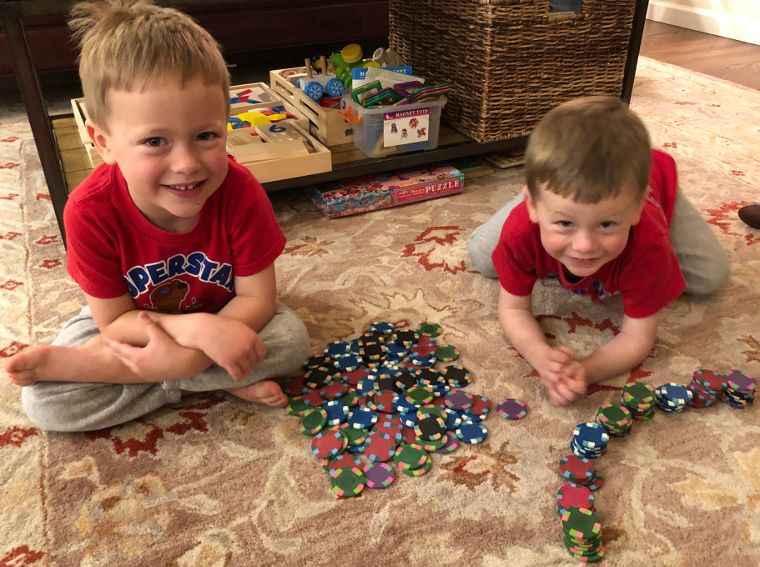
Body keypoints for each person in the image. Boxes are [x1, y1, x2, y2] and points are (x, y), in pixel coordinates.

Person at [3, 0, 309, 431]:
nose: (186, 164)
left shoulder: (241, 193)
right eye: (154, 142)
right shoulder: (89, 211)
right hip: (134, 321)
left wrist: (187, 351)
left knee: (290, 340)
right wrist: (198, 339)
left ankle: (168, 377)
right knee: (49, 405)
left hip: (226, 312)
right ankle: (210, 380)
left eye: (206, 136)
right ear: (103, 142)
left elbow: (257, 299)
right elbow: (113, 321)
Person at [467, 96, 729, 406]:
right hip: (550, 206)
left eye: (606, 224)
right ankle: (552, 193)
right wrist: (540, 355)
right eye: (565, 223)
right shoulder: (522, 233)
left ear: (636, 209)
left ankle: (576, 205)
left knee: (709, 278)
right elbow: (513, 309)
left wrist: (587, 370)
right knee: (484, 256)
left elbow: (637, 338)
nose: (585, 246)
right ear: (532, 205)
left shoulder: (648, 246)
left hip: (653, 180)